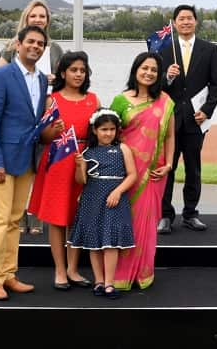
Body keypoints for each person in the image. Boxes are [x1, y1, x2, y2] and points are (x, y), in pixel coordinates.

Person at [0, 24, 50, 301]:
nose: (35, 46)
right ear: (17, 45)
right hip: (0, 163)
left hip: (26, 161)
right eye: (30, 41)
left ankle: (9, 274)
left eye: (40, 43)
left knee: (13, 222)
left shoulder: (42, 79)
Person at [27, 51, 99, 290]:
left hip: (83, 161)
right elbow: (43, 137)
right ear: (62, 73)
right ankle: (59, 270)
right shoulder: (52, 100)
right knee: (57, 218)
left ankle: (73, 268)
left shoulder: (93, 100)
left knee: (77, 217)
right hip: (58, 160)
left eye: (82, 70)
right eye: (73, 70)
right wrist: (53, 130)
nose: (78, 74)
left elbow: (100, 134)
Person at [0, 0, 65, 235]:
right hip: (19, 113)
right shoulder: (11, 47)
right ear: (26, 18)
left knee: (40, 165)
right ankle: (19, 216)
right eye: (34, 16)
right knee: (20, 164)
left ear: (48, 21)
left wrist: (56, 78)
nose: (38, 20)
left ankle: (36, 215)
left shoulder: (54, 48)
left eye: (42, 16)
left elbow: (67, 76)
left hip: (45, 110)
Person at [111, 52, 175, 291]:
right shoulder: (120, 101)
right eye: (144, 68)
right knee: (124, 221)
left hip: (154, 173)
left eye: (153, 70)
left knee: (146, 224)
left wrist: (168, 164)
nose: (148, 73)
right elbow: (109, 136)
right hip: (126, 172)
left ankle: (143, 273)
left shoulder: (165, 101)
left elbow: (169, 136)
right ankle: (120, 273)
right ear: (135, 70)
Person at [158, 4, 217, 233]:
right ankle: (164, 215)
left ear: (196, 22)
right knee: (168, 167)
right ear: (174, 23)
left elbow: (216, 86)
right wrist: (167, 77)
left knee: (193, 169)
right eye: (181, 19)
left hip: (196, 119)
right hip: (170, 120)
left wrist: (207, 111)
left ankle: (191, 213)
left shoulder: (210, 49)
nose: (185, 22)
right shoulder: (165, 50)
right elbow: (155, 87)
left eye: (189, 18)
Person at [68, 108, 138, 299]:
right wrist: (79, 165)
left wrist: (117, 191)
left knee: (110, 243)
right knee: (94, 242)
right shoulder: (88, 152)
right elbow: (81, 180)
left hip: (114, 200)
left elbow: (132, 175)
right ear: (95, 130)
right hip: (92, 199)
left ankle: (109, 282)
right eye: (104, 129)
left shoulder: (122, 149)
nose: (108, 133)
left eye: (112, 129)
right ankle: (99, 281)